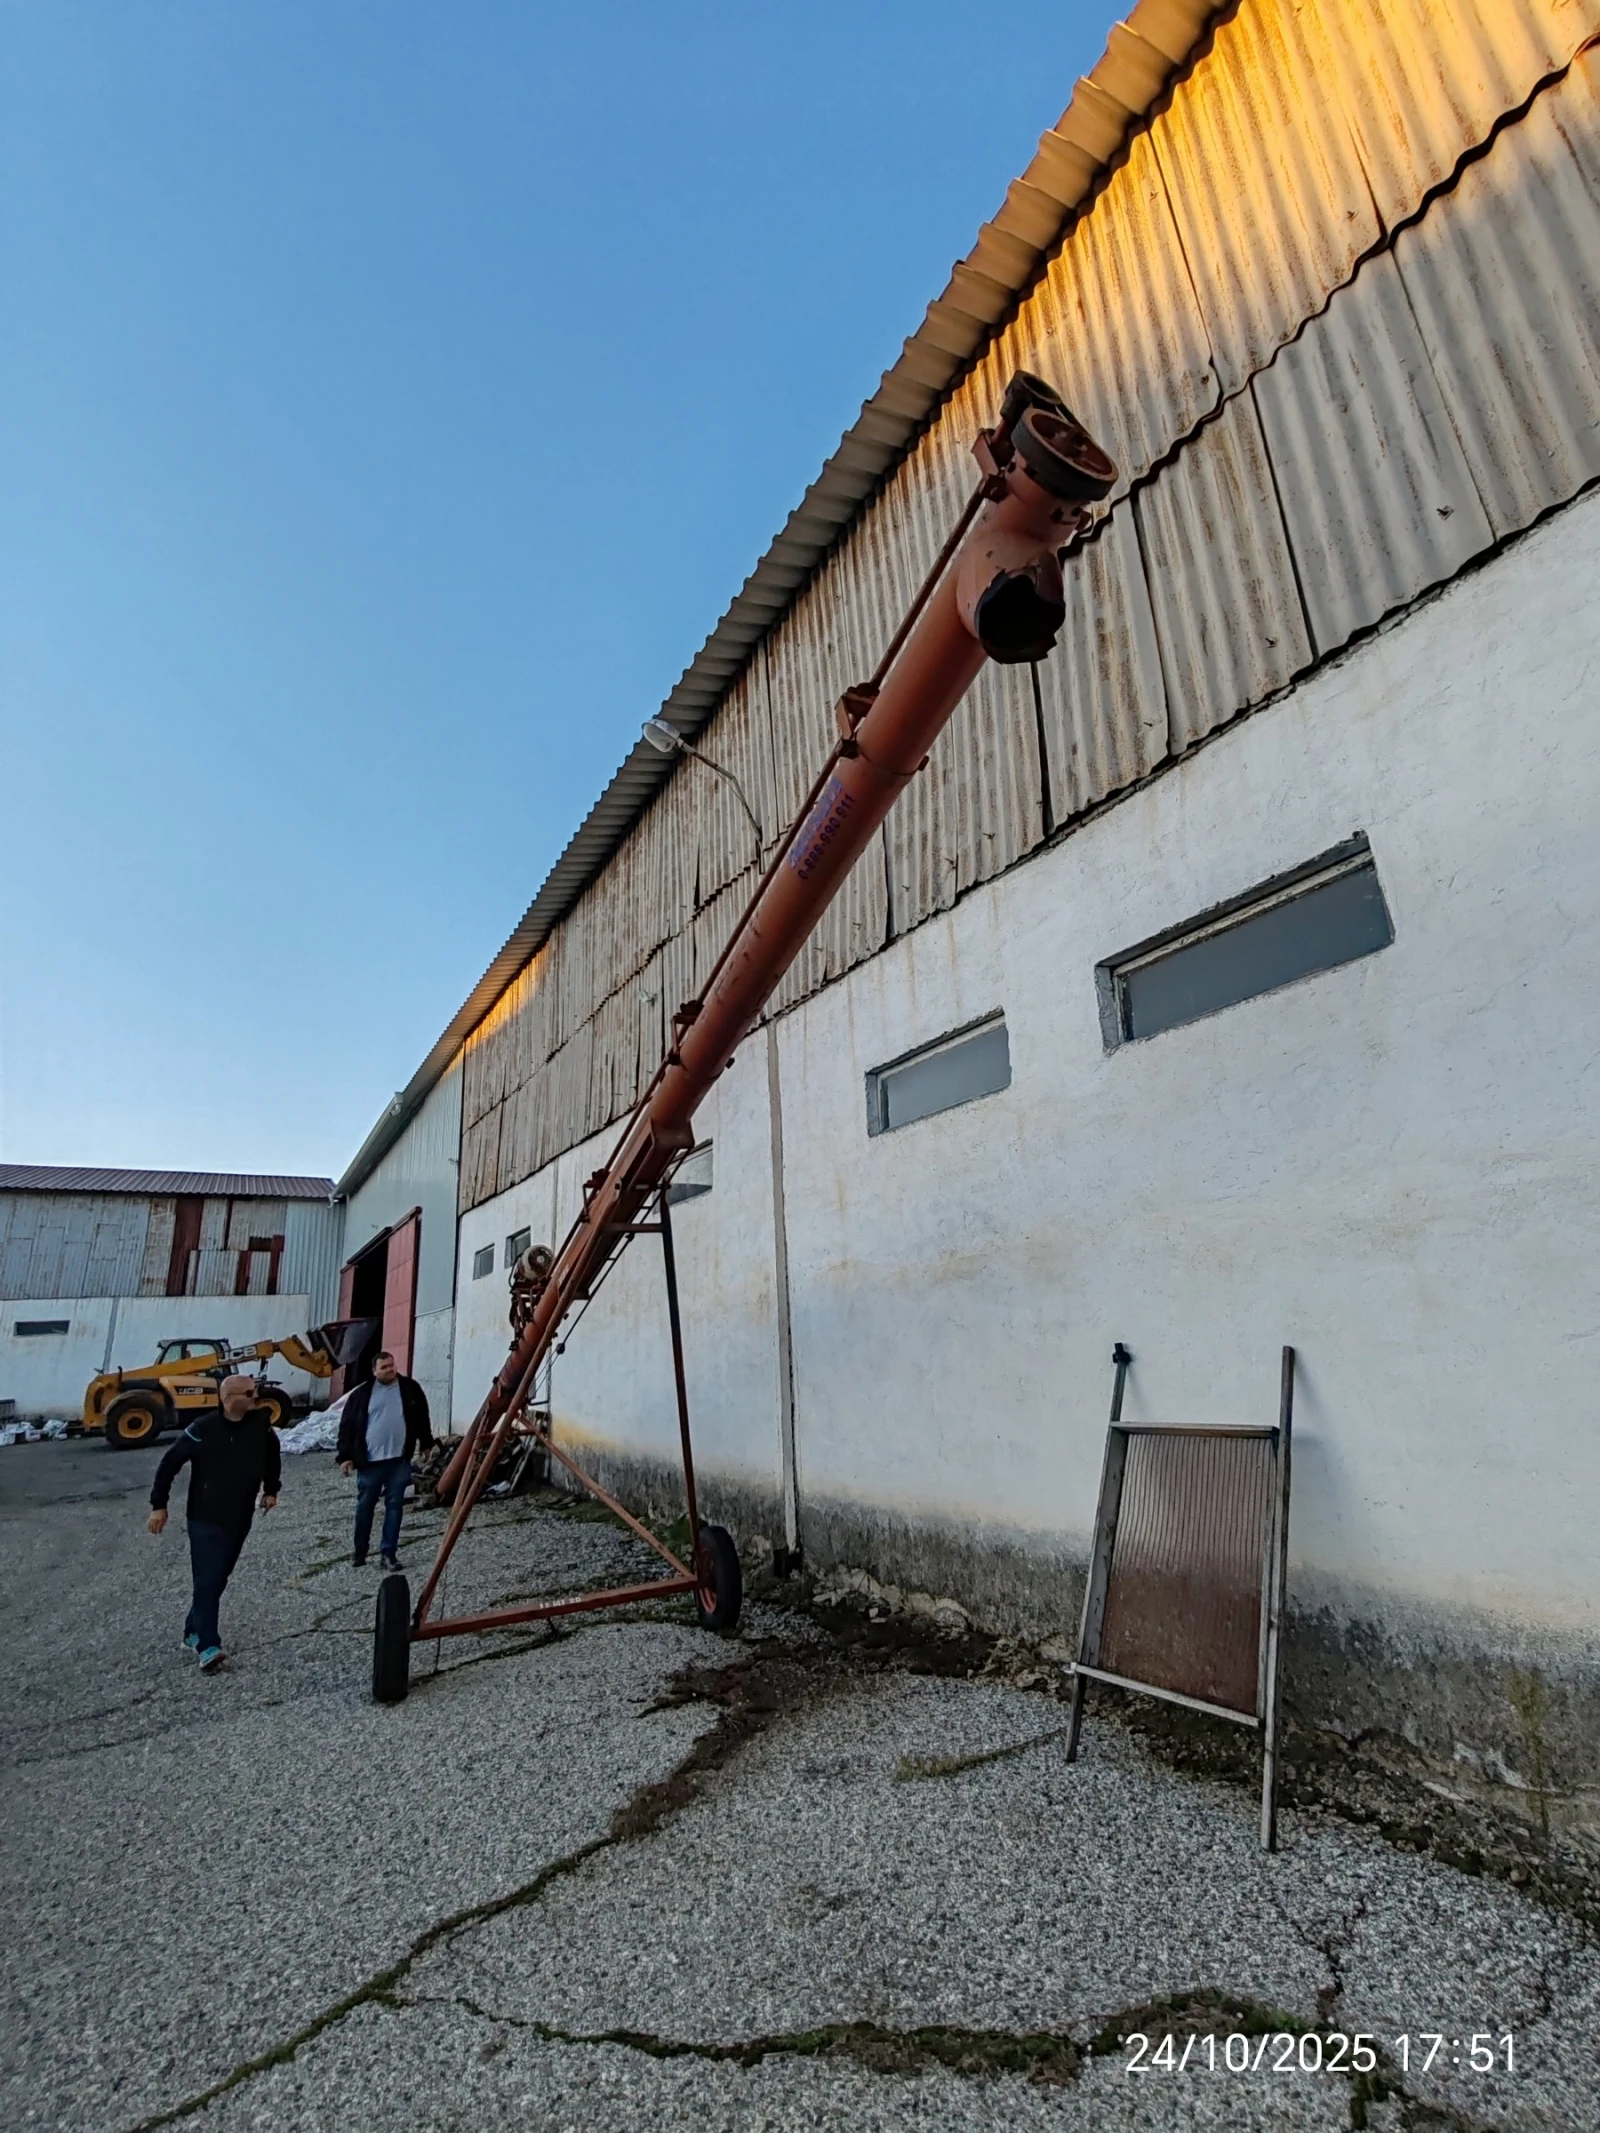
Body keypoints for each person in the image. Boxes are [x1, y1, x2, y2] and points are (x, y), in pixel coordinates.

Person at [147, 1373, 280, 1673]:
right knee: (207, 1579)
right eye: (249, 1394)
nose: (255, 1398)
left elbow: (273, 1454)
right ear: (229, 1398)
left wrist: (271, 1489)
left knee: (219, 1577)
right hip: (205, 1517)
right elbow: (169, 1464)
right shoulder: (203, 1429)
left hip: (240, 1514)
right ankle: (208, 1646)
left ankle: (192, 1629)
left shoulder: (259, 1424)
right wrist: (159, 1505)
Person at [336, 1350, 434, 1572]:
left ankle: (388, 1554)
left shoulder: (410, 1388)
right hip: (370, 1463)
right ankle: (360, 1551)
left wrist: (426, 1443)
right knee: (365, 1508)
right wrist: (345, 1456)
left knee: (394, 1508)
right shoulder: (361, 1395)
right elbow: (347, 1426)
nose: (390, 1370)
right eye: (384, 1367)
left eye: (392, 1365)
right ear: (374, 1371)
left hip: (399, 1460)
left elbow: (421, 1417)